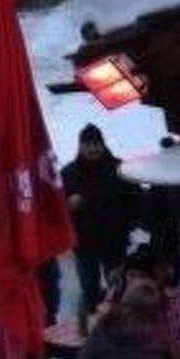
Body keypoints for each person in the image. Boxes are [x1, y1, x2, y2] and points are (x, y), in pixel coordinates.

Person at [61, 125, 137, 318]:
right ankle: (92, 326)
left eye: (96, 144)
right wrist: (68, 205)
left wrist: (131, 227)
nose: (92, 148)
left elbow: (136, 199)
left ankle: (119, 326)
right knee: (89, 289)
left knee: (117, 289)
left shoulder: (121, 169)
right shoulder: (68, 173)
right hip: (84, 243)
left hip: (115, 241)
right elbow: (57, 208)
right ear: (80, 146)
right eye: (87, 144)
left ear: (103, 145)